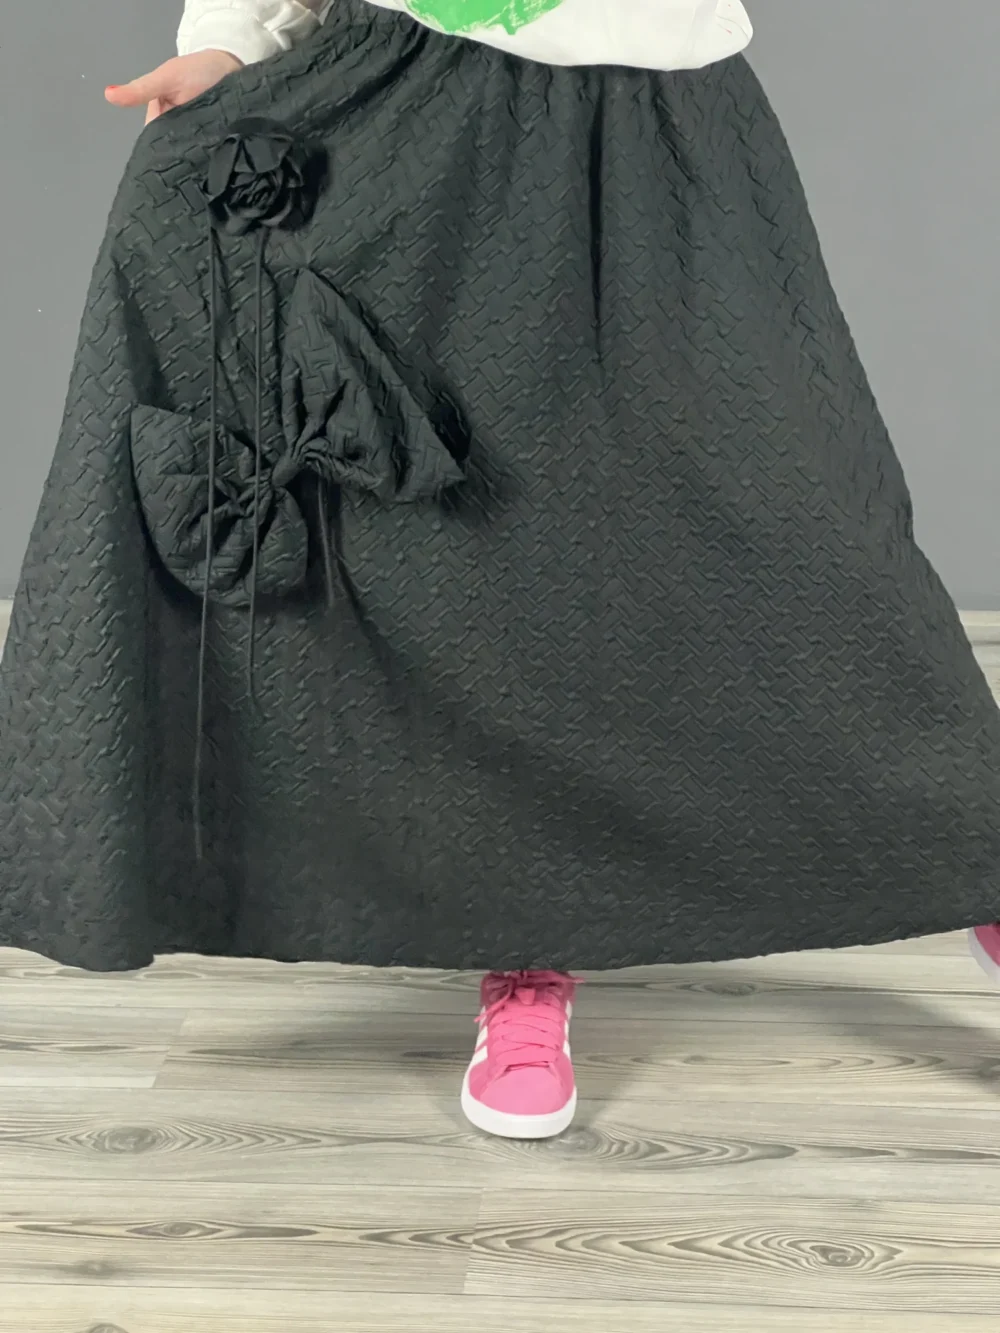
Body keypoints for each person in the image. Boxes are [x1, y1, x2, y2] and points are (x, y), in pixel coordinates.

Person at [2, 0, 999, 1142]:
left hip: (669, 115)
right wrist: (233, 41)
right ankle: (525, 953)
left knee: (805, 514)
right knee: (488, 561)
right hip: (419, 99)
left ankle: (976, 849)